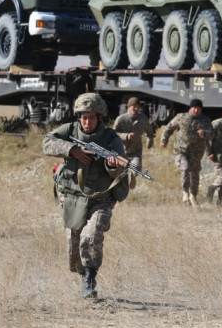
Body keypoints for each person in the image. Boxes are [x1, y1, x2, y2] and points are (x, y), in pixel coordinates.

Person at [44, 93, 129, 299]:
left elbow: (121, 168)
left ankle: (90, 279)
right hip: (73, 197)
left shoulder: (111, 139)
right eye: (83, 117)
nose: (86, 121)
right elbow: (47, 142)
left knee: (90, 237)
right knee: (74, 246)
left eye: (91, 117)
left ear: (99, 117)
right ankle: (83, 274)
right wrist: (71, 149)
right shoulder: (70, 131)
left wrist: (111, 166)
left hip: (101, 199)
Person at [160, 98, 214, 206]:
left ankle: (193, 195)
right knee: (185, 169)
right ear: (190, 108)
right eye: (194, 108)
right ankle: (185, 192)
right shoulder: (181, 118)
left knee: (194, 174)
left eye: (198, 109)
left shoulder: (206, 120)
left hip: (197, 153)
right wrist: (163, 140)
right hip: (181, 150)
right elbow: (169, 128)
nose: (196, 111)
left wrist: (204, 134)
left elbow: (212, 135)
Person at [112, 96, 155, 190]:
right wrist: (126, 136)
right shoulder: (121, 119)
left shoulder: (142, 118)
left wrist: (150, 139)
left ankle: (131, 176)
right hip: (122, 151)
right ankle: (122, 187)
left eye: (137, 106)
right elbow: (113, 134)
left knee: (136, 169)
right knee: (119, 173)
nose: (136, 108)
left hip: (136, 150)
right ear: (129, 107)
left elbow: (149, 130)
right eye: (133, 106)